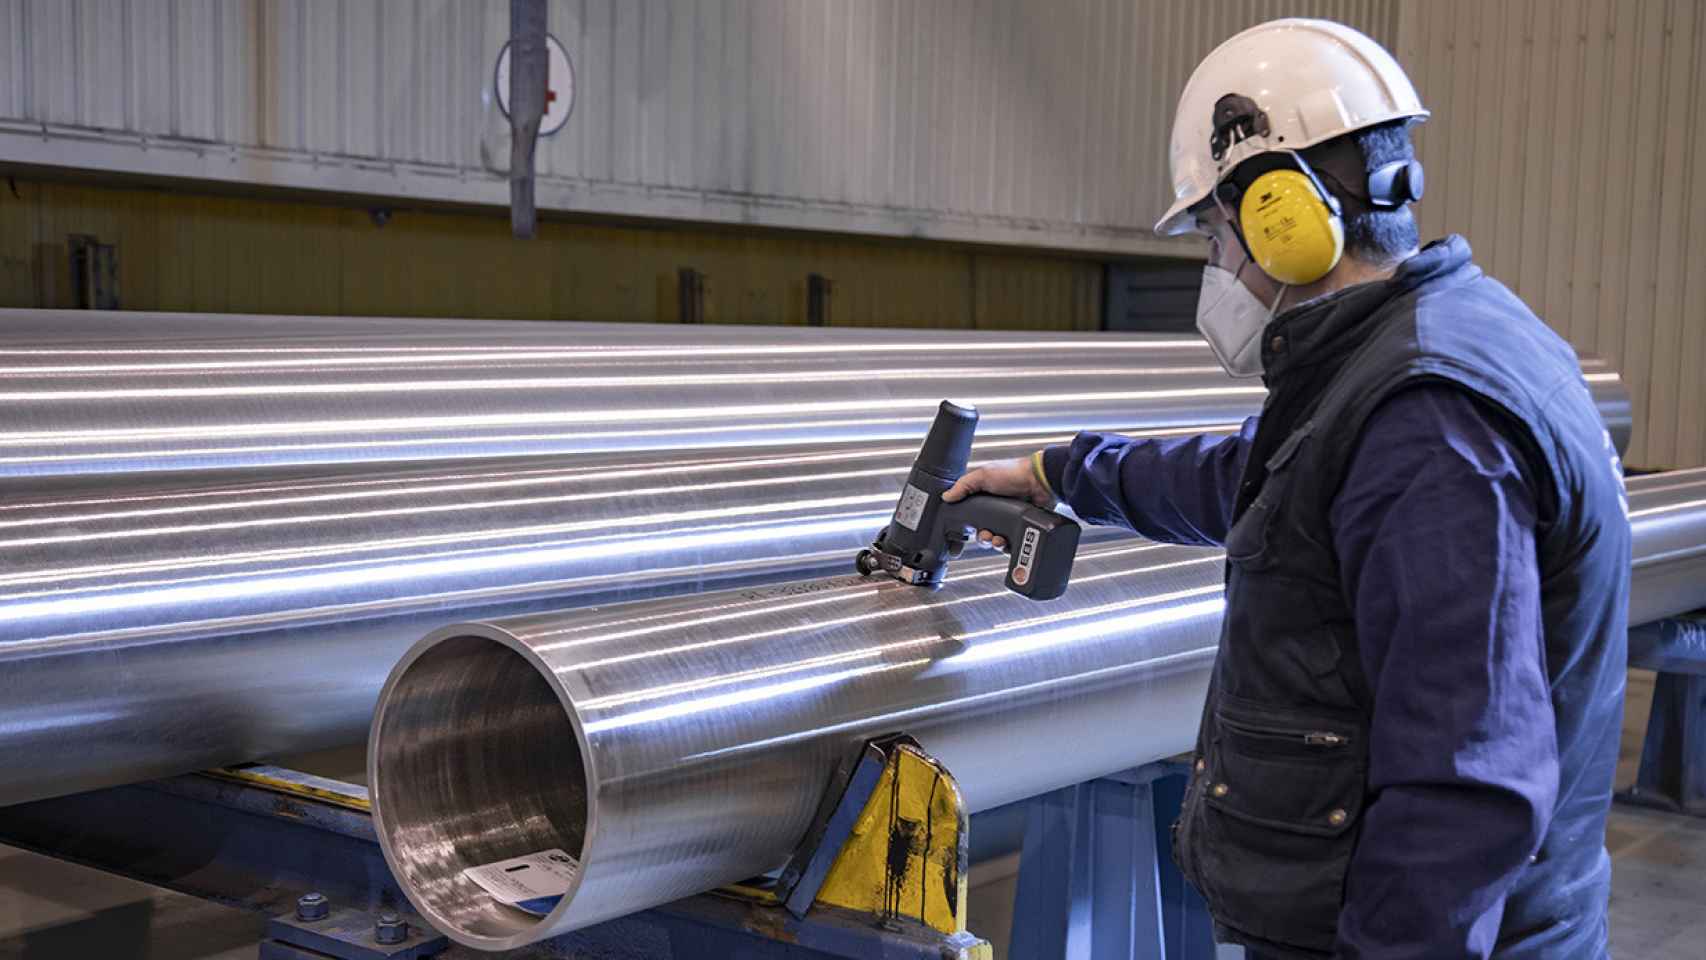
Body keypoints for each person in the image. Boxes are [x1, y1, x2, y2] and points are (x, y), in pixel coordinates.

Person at [945, 18, 1630, 960]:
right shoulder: (1423, 346)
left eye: (1216, 235)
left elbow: (1463, 792)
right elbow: (1263, 481)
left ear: (1282, 214)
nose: (1218, 266)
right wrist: (1061, 472)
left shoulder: (1425, 424)